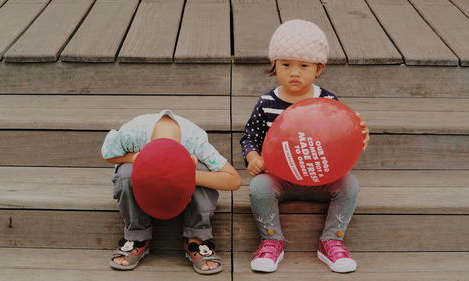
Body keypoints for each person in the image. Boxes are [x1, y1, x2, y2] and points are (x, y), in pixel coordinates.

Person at [240, 20, 370, 273]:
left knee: (349, 184)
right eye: (286, 64)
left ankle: (331, 241)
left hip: (322, 177)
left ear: (318, 68)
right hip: (280, 178)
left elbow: (344, 136)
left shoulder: (328, 101)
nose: (295, 72)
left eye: (304, 65)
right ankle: (271, 240)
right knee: (259, 187)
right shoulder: (266, 102)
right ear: (273, 65)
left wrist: (361, 135)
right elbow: (250, 137)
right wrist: (253, 157)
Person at [102, 109, 241, 274]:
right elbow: (108, 155)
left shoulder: (194, 141)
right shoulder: (132, 133)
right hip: (143, 188)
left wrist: (187, 175)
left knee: (203, 169)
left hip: (183, 186)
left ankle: (197, 237)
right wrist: (133, 159)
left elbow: (234, 180)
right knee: (125, 173)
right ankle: (136, 236)